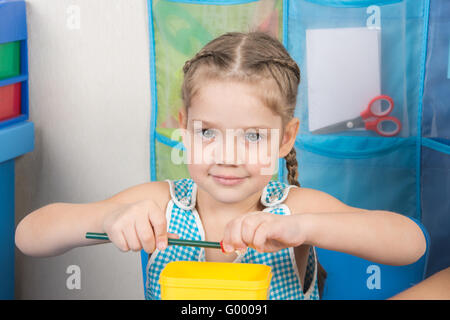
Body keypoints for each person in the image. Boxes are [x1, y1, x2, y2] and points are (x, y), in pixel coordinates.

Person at [15, 31, 427, 300]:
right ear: (184, 129)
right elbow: (28, 235)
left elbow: (410, 243)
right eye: (208, 132)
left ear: (285, 139)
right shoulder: (160, 203)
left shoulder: (293, 210)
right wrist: (110, 217)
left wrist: (305, 228)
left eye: (252, 136)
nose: (228, 155)